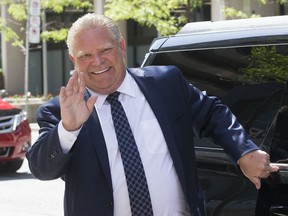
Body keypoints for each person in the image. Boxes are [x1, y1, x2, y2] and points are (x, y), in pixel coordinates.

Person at [26, 13, 279, 216]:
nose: (97, 61)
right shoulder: (60, 110)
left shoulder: (165, 83)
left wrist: (244, 151)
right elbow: (41, 169)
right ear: (73, 59)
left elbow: (212, 112)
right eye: (85, 55)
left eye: (105, 50)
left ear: (121, 46)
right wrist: (68, 128)